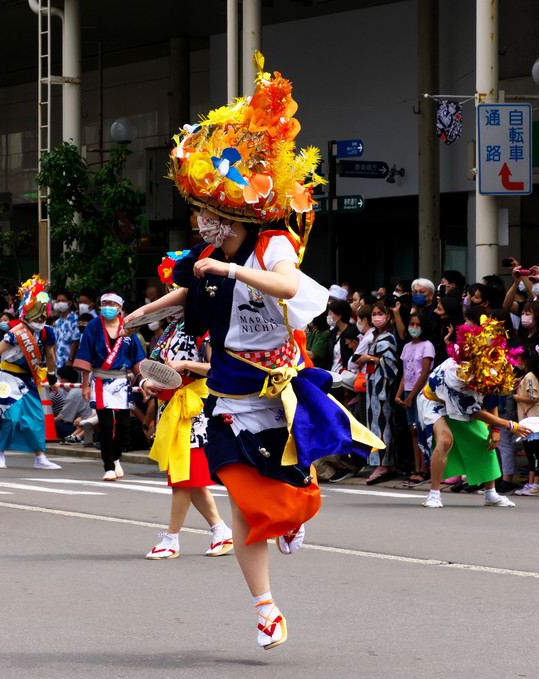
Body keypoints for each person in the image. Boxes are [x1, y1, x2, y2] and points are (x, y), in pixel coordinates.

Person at [160, 59, 383, 649]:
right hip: (229, 395)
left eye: (205, 214)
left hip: (279, 392)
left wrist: (234, 267)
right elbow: (189, 288)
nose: (199, 223)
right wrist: (140, 315)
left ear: (230, 213)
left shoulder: (272, 244)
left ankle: (291, 520)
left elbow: (288, 287)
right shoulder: (206, 258)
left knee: (295, 500)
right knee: (240, 493)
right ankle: (265, 607)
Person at [136, 256, 233, 561]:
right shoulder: (170, 329)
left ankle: (171, 538)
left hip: (195, 409)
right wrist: (145, 384)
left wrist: (188, 364)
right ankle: (221, 531)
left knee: (183, 477)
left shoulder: (207, 327)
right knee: (189, 478)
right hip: (171, 406)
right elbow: (156, 368)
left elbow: (219, 367)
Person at [416, 313, 532, 509]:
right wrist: (509, 425)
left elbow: (492, 396)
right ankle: (433, 494)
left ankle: (491, 494)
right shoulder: (456, 373)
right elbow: (474, 411)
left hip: (465, 404)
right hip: (434, 402)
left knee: (484, 440)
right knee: (445, 440)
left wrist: (495, 431)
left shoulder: (494, 365)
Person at [0, 275, 61, 470]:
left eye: (43, 317)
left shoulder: (46, 332)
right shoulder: (16, 332)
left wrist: (52, 377)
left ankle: (40, 457)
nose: (41, 320)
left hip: (29, 379)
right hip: (8, 377)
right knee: (10, 416)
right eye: (37, 317)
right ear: (27, 314)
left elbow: (50, 357)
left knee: (36, 417)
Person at [73, 288, 146, 481]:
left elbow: (137, 358)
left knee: (123, 425)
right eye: (104, 304)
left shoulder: (129, 327)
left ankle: (115, 457)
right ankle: (108, 466)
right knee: (105, 425)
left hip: (121, 381)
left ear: (120, 307)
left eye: (111, 304)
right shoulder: (94, 326)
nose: (107, 308)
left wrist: (144, 381)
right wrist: (85, 385)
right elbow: (85, 354)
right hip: (99, 379)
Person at [395, 311, 435, 487]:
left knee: (422, 430)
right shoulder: (407, 347)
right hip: (408, 392)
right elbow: (406, 373)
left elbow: (424, 373)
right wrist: (399, 394)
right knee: (413, 430)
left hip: (421, 393)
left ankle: (425, 469)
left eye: (418, 325)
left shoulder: (427, 345)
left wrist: (411, 396)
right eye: (412, 324)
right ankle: (417, 467)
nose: (414, 328)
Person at [363, 302, 400, 485]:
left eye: (380, 313)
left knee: (381, 425)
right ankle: (386, 462)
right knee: (378, 423)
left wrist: (369, 358)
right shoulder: (378, 336)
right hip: (373, 384)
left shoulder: (388, 338)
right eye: (374, 313)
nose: (376, 317)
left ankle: (383, 463)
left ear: (388, 316)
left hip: (381, 386)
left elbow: (390, 364)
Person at [513, 348, 539, 496]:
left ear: (525, 361)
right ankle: (531, 483)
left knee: (537, 453)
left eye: (519, 359)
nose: (517, 362)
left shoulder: (530, 377)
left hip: (535, 419)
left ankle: (537, 484)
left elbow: (534, 398)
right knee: (530, 453)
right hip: (526, 420)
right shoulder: (526, 376)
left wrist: (516, 397)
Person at [53, 366, 93, 442]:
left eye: (59, 378)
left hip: (83, 427)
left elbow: (63, 418)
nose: (58, 381)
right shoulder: (78, 389)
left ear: (64, 380)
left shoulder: (73, 393)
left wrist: (48, 420)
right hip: (84, 425)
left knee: (52, 424)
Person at [51, 289, 80, 369]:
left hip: (69, 363)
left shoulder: (74, 320)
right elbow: (54, 342)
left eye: (62, 300)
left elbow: (75, 341)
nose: (59, 303)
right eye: (58, 301)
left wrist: (70, 360)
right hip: (57, 363)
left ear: (70, 303)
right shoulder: (57, 322)